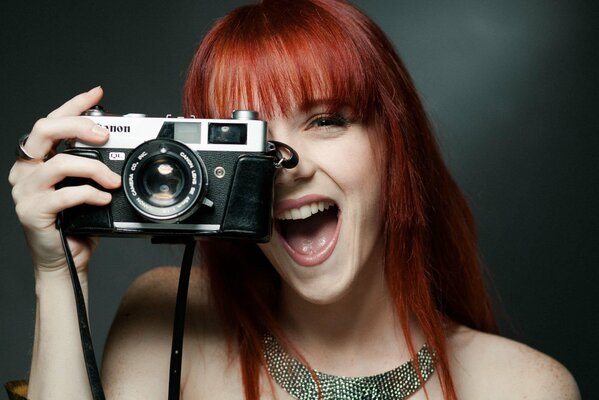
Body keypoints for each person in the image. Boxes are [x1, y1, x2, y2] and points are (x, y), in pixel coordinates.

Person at [8, 0, 580, 399]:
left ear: (394, 144)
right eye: (248, 139)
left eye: (326, 120)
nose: (285, 162)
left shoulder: (526, 387)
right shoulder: (168, 315)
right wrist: (58, 272)